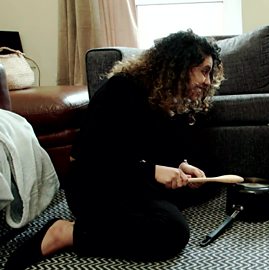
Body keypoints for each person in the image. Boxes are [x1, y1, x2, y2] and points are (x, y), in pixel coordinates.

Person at [5, 29, 225, 269]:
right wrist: (152, 172)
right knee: (172, 233)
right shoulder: (122, 89)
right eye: (204, 71)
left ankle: (129, 217)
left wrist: (181, 166)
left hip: (132, 181)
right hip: (96, 186)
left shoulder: (171, 101)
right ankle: (67, 233)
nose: (207, 81)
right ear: (180, 65)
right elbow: (88, 157)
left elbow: (158, 151)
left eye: (210, 73)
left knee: (208, 178)